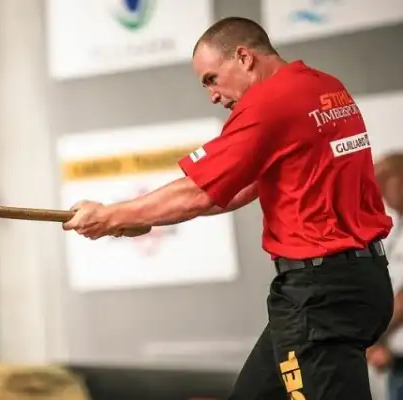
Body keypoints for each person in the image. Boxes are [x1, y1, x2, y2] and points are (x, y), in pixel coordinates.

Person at [62, 16, 395, 399]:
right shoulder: (324, 86)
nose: (213, 96)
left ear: (244, 57)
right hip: (355, 282)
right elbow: (235, 189)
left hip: (320, 296)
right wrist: (143, 216)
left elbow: (199, 191)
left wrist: (110, 215)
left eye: (211, 79)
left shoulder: (270, 102)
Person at [367, 153, 403, 400]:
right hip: (395, 359)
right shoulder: (396, 229)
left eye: (386, 179)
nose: (380, 191)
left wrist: (374, 339)